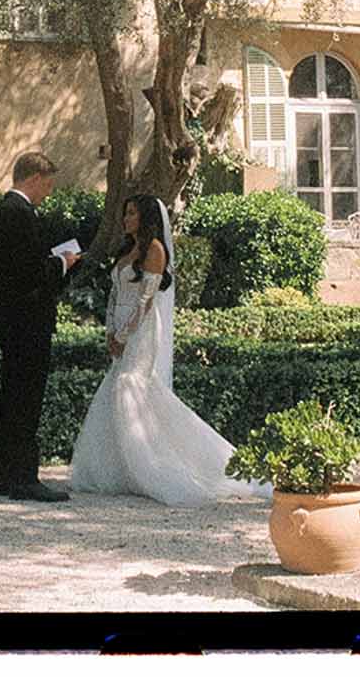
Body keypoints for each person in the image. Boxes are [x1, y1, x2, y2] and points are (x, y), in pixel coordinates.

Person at [67, 193, 271, 506]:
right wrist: (110, 329)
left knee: (130, 386)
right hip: (120, 325)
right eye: (126, 212)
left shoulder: (155, 250)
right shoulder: (126, 249)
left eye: (132, 213)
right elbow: (114, 294)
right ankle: (122, 469)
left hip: (142, 329)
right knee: (118, 388)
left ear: (146, 218)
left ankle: (152, 465)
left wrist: (124, 334)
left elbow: (146, 299)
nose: (126, 219)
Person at [0, 150, 82, 502]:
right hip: (28, 321)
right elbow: (29, 273)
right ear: (34, 177)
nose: (49, 191)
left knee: (11, 398)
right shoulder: (19, 214)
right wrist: (63, 263)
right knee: (25, 399)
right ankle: (24, 478)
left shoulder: (3, 212)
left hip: (12, 320)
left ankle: (8, 476)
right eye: (47, 184)